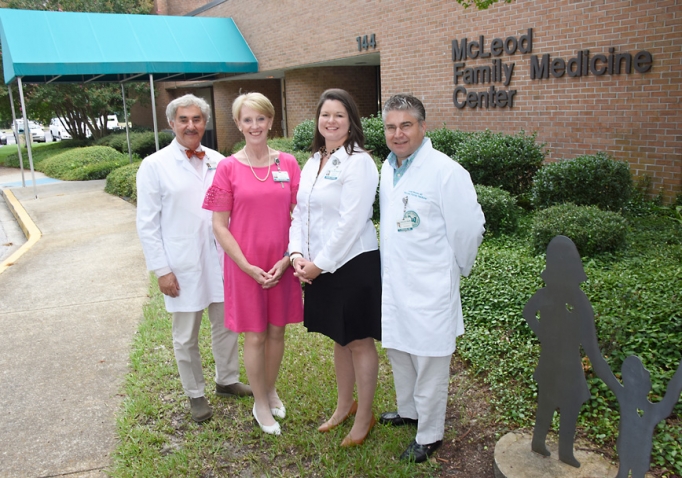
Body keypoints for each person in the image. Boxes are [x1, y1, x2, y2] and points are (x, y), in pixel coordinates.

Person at [378, 94, 485, 462]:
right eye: (391, 126)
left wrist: (454, 269)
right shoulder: (387, 168)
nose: (398, 133)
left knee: (429, 361)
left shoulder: (446, 171)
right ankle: (408, 412)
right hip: (395, 283)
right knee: (400, 353)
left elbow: (470, 230)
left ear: (423, 126)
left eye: (406, 125)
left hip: (430, 287)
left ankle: (430, 434)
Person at [136, 94, 252, 424]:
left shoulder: (219, 161)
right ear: (172, 123)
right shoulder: (154, 165)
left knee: (227, 325)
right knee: (185, 335)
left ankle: (226, 380)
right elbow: (147, 222)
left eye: (197, 119)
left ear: (205, 123)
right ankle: (195, 394)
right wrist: (162, 269)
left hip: (219, 259)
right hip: (181, 263)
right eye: (183, 119)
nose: (191, 125)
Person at [203, 93, 303, 436]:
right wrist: (246, 266)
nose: (255, 126)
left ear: (271, 121)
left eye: (261, 119)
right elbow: (219, 224)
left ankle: (270, 389)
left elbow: (300, 215)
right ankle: (260, 403)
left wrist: (288, 258)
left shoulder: (288, 164)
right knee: (256, 335)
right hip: (244, 266)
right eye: (248, 120)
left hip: (282, 263)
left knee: (278, 330)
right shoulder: (227, 168)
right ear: (238, 124)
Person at [289, 88, 382, 447]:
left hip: (352, 264)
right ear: (317, 120)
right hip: (315, 264)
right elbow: (300, 212)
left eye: (339, 115)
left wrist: (319, 265)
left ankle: (364, 416)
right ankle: (344, 405)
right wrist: (297, 254)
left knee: (358, 341)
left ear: (351, 121)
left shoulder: (358, 162)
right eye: (325, 114)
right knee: (339, 339)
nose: (331, 121)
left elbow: (352, 221)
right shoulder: (314, 160)